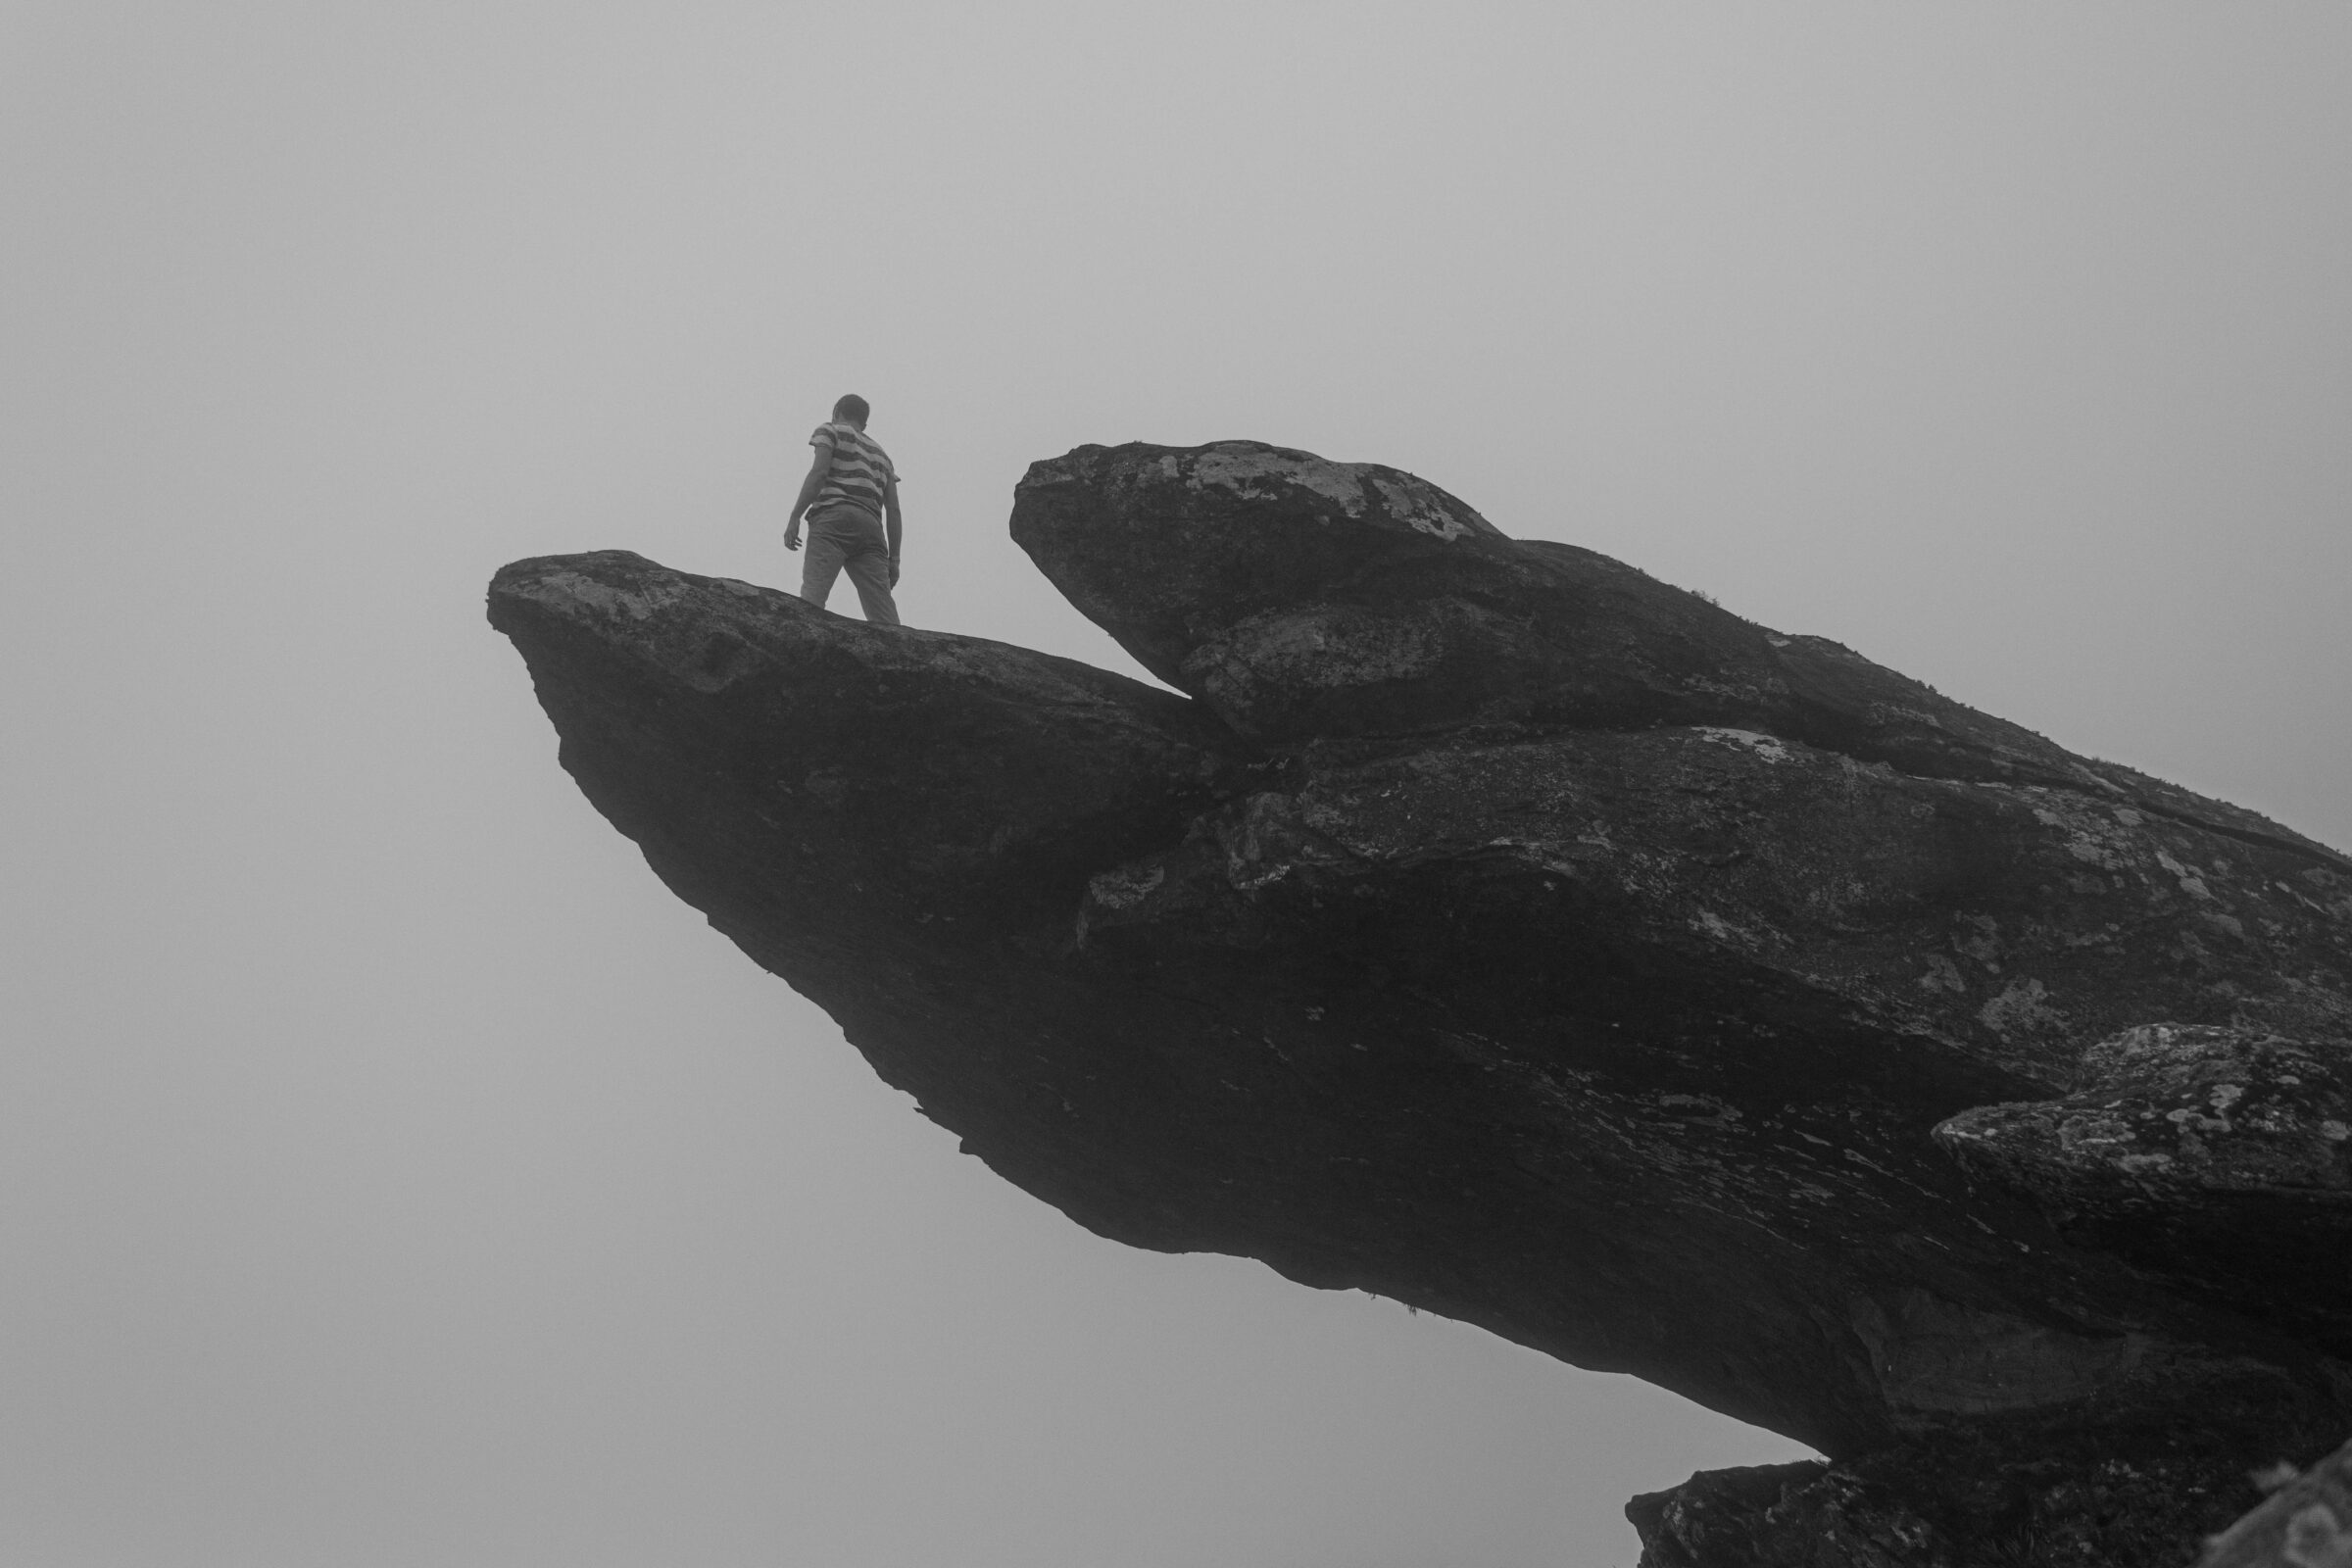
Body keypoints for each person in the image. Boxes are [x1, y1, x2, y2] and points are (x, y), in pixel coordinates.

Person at [785, 393, 903, 625]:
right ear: (864, 423)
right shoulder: (883, 457)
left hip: (833, 519)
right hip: (871, 529)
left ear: (837, 412)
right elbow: (894, 510)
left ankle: (805, 641)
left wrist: (795, 516)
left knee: (813, 599)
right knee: (883, 614)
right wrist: (894, 559)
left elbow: (819, 473)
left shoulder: (830, 430)